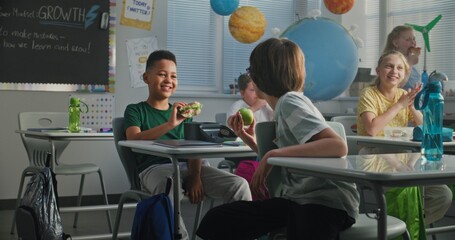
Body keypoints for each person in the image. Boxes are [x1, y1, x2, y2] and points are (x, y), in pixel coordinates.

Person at [196, 38, 359, 240]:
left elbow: (337, 146)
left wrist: (272, 153)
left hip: (325, 203)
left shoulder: (290, 102)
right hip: (300, 200)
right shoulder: (284, 105)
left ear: (260, 74)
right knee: (218, 219)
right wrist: (248, 138)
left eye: (251, 70)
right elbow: (288, 156)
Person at [124, 50, 252, 240]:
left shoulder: (185, 113)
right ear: (146, 77)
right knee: (168, 187)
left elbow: (194, 146)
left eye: (173, 76)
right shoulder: (135, 110)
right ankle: (180, 237)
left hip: (188, 167)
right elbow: (133, 138)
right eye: (161, 74)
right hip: (154, 169)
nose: (168, 80)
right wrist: (170, 124)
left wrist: (195, 176)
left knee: (238, 185)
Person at [356, 50, 452, 237]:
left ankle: (403, 226)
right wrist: (399, 105)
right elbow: (372, 130)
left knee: (443, 194)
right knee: (408, 183)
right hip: (373, 155)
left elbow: (424, 127)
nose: (394, 71)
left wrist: (412, 105)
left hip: (403, 158)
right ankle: (399, 227)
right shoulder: (369, 94)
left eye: (400, 68)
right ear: (378, 70)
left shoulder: (403, 94)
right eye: (389, 66)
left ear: (405, 74)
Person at [383, 25, 422, 90]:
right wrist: (410, 63)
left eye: (414, 39)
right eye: (408, 40)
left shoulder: (410, 58)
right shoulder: (392, 61)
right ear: (396, 43)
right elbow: (397, 85)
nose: (413, 42)